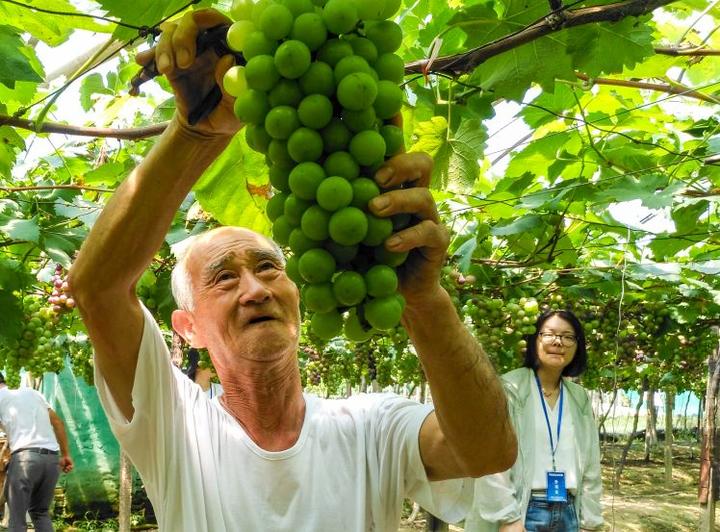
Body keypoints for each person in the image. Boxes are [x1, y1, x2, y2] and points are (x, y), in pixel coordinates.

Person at [68, 9, 517, 531]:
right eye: (223, 277)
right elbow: (97, 289)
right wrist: (194, 134)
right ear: (188, 329)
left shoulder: (372, 427)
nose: (256, 288)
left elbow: (487, 452)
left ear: (298, 295)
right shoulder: (176, 427)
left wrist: (425, 300)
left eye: (268, 267)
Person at [465, 310, 603, 532]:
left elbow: (590, 465)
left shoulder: (579, 397)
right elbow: (490, 458)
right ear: (534, 340)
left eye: (568, 337)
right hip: (523, 510)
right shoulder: (509, 388)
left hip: (569, 512)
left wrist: (590, 521)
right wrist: (507, 517)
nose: (558, 342)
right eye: (549, 334)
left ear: (577, 347)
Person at [0, 372, 74, 532]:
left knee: (17, 519)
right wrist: (66, 454)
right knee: (40, 512)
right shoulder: (32, 393)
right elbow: (58, 423)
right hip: (52, 460)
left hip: (25, 460)